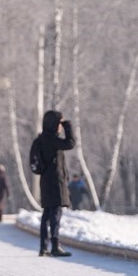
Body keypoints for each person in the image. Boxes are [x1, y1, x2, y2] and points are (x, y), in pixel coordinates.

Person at [37, 110, 76, 257]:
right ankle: (54, 246)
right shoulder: (53, 141)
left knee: (47, 214)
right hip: (55, 182)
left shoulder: (40, 140)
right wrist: (68, 126)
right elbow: (70, 143)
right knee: (55, 215)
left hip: (45, 182)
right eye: (59, 123)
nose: (60, 126)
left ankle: (43, 247)